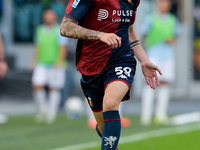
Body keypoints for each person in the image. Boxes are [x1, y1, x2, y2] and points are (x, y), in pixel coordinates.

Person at [60, 0, 162, 149]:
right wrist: (99, 35)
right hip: (91, 67)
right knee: (104, 128)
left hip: (121, 59)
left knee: (110, 103)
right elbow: (65, 27)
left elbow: (129, 29)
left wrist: (144, 60)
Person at [140, 0, 179, 126]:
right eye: (162, 3)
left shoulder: (173, 19)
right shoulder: (150, 18)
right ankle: (146, 114)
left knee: (165, 83)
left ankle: (160, 114)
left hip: (167, 56)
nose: (164, 5)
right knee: (150, 82)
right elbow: (143, 35)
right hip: (153, 55)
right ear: (158, 4)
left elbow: (175, 36)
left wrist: (171, 39)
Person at [30, 9, 67, 123]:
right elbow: (38, 47)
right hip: (42, 62)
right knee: (37, 85)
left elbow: (63, 47)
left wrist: (59, 61)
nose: (49, 18)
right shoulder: (40, 29)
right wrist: (33, 61)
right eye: (47, 16)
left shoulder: (59, 30)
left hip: (55, 64)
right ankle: (43, 109)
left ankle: (52, 113)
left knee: (54, 87)